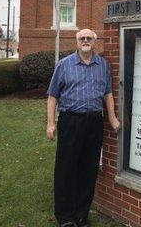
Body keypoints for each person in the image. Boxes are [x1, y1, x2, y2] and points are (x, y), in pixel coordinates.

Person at [47, 28, 120, 227]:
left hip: (94, 122)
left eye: (89, 38)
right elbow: (53, 96)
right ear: (77, 41)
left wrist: (112, 118)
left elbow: (108, 93)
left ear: (95, 42)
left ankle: (81, 215)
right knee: (66, 169)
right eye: (82, 38)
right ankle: (65, 216)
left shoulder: (102, 65)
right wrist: (51, 123)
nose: (85, 40)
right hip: (71, 121)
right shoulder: (64, 65)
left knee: (88, 169)